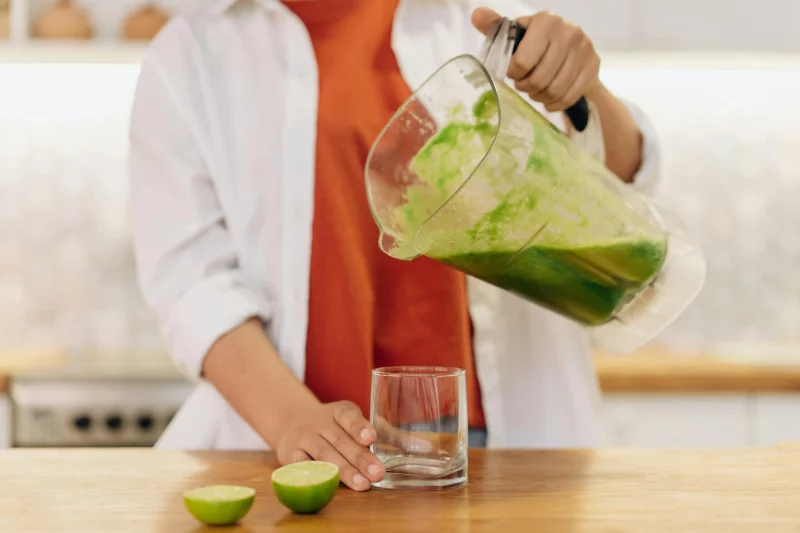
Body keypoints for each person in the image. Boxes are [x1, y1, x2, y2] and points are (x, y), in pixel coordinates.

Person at [129, 0, 660, 491]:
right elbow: (192, 285)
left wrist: (584, 90)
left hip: (498, 441)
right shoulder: (190, 56)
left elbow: (621, 177)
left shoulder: (479, 17)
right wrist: (291, 419)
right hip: (305, 455)